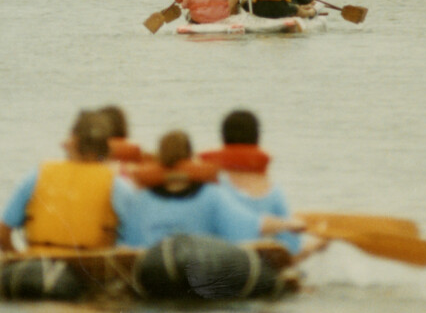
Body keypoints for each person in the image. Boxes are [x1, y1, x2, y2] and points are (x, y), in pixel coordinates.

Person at [116, 130, 302, 250]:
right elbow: (252, 224)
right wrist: (289, 224)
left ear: (161, 160)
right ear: (190, 158)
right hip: (199, 266)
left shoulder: (142, 199)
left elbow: (129, 242)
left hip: (154, 270)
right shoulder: (211, 195)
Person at [0, 109, 131, 254]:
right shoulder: (117, 185)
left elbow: (0, 235)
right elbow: (136, 241)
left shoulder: (38, 175)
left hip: (37, 263)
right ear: (108, 148)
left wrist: (18, 260)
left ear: (73, 141)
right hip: (89, 266)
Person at [201, 109, 301, 254]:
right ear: (257, 139)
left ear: (223, 139)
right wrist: (318, 244)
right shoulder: (275, 193)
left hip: (220, 260)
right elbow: (292, 251)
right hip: (261, 263)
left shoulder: (211, 188)